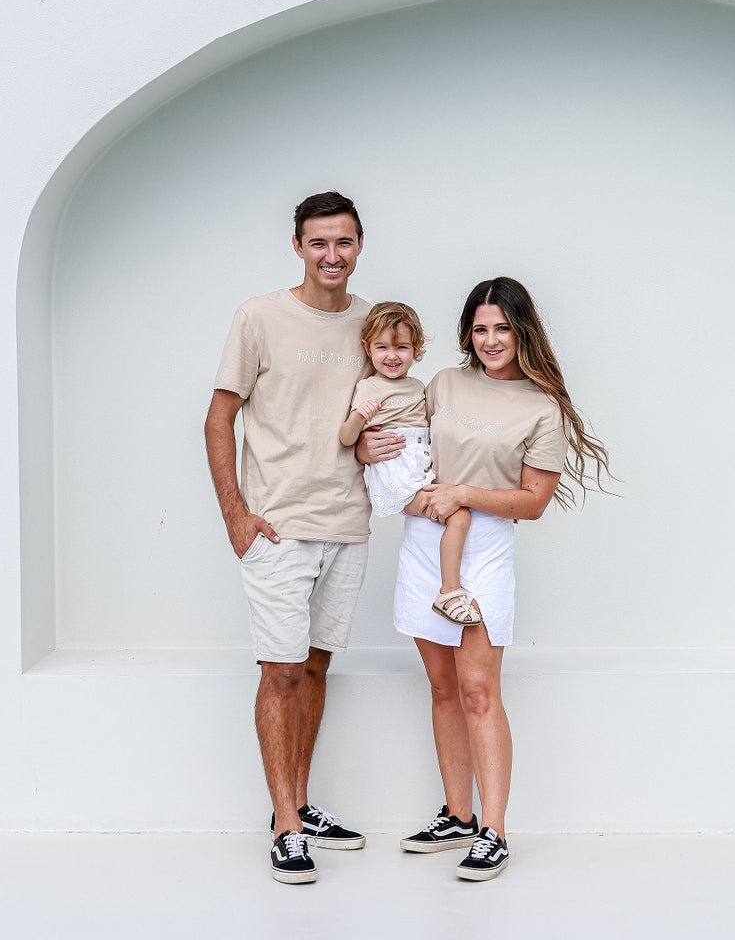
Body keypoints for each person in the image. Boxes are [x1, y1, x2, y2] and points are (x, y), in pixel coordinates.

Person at [361, 277, 612, 881]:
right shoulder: (443, 383)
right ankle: (457, 815)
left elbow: (533, 502)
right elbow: (405, 441)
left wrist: (463, 493)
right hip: (425, 537)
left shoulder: (540, 407)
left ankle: (494, 831)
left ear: (521, 331)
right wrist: (368, 446)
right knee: (443, 688)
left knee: (478, 689)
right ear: (466, 334)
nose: (491, 339)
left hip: (484, 547)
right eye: (480, 329)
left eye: (502, 328)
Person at [204, 191, 371, 885]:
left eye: (344, 242)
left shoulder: (371, 321)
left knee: (316, 667)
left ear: (359, 245)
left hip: (348, 524)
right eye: (318, 243)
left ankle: (299, 803)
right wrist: (237, 517)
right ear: (298, 247)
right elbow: (218, 420)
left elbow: (379, 407)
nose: (332, 255)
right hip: (277, 528)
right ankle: (285, 824)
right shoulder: (259, 317)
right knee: (279, 670)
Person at [339, 303, 482, 626]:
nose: (392, 356)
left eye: (402, 347)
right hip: (397, 472)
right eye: (382, 347)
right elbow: (347, 438)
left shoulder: (418, 386)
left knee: (457, 509)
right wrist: (359, 417)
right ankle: (450, 590)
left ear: (416, 349)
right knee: (459, 515)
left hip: (420, 465)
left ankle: (448, 585)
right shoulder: (369, 387)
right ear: (367, 348)